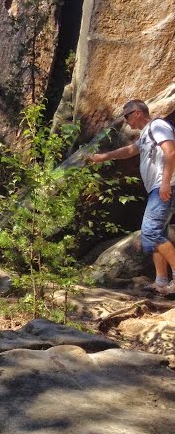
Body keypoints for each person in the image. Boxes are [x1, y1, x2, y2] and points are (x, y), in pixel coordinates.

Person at [88, 99, 175, 295]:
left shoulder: (157, 126)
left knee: (151, 231)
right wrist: (104, 157)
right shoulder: (145, 136)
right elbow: (128, 151)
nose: (125, 120)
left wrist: (165, 182)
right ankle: (161, 281)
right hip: (157, 188)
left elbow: (171, 152)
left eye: (126, 116)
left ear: (137, 113)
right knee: (153, 236)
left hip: (166, 186)